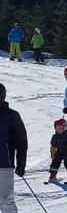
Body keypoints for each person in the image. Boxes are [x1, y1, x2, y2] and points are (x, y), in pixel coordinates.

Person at [0, 83, 28, 213]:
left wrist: (21, 164)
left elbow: (21, 142)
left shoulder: (12, 116)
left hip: (4, 165)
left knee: (6, 201)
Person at [48, 118, 67, 183]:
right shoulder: (55, 136)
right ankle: (52, 176)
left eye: (60, 128)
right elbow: (53, 145)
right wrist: (53, 152)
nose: (59, 130)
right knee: (55, 162)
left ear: (65, 127)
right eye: (57, 128)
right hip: (58, 152)